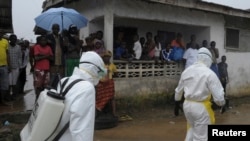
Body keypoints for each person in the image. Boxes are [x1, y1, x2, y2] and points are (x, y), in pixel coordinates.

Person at [50, 51, 107, 141]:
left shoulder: (64, 81)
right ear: (93, 69)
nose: (100, 77)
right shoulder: (87, 88)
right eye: (100, 73)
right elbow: (82, 129)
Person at [174, 47, 225, 141]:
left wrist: (177, 104)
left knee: (191, 130)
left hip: (187, 105)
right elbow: (219, 98)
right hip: (201, 107)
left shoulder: (186, 71)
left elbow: (178, 91)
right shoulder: (209, 74)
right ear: (208, 59)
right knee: (201, 137)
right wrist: (222, 105)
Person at [96, 50, 118, 117]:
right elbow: (99, 75)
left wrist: (110, 75)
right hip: (102, 83)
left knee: (111, 98)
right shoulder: (100, 65)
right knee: (101, 97)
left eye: (108, 57)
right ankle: (100, 112)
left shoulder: (112, 65)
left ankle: (113, 113)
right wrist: (106, 72)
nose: (106, 58)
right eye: (105, 57)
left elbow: (116, 74)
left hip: (110, 83)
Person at [33, 35, 53, 100]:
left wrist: (41, 55)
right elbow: (36, 58)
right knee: (38, 85)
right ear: (39, 41)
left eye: (45, 40)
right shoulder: (37, 47)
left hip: (47, 69)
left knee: (46, 85)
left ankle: (43, 99)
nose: (43, 42)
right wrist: (46, 56)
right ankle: (37, 98)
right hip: (39, 69)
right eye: (42, 40)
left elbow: (52, 58)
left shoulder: (49, 47)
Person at [46, 23, 67, 88]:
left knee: (61, 76)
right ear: (52, 29)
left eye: (57, 29)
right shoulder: (48, 37)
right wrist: (47, 42)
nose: (56, 30)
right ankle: (50, 88)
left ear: (59, 29)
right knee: (52, 76)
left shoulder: (61, 37)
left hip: (60, 59)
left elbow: (64, 50)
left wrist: (65, 44)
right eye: (54, 28)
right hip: (53, 59)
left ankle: (59, 88)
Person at [8, 34, 22, 100]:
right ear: (10, 40)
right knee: (8, 83)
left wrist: (20, 67)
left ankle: (13, 95)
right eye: (12, 39)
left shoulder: (18, 47)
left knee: (14, 83)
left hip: (16, 67)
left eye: (15, 39)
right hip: (8, 68)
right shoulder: (7, 46)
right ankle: (8, 95)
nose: (14, 40)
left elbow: (20, 57)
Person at [0, 30, 11, 106]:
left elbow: (7, 54)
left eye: (1, 33)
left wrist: (9, 65)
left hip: (4, 66)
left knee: (4, 85)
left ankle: (2, 100)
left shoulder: (5, 41)